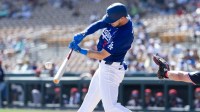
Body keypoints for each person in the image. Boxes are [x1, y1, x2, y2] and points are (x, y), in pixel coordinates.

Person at [69, 2, 134, 112]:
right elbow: (100, 24)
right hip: (104, 67)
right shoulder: (118, 20)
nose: (109, 22)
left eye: (112, 21)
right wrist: (84, 33)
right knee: (88, 103)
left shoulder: (124, 34)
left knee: (111, 107)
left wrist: (80, 50)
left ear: (122, 18)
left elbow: (101, 55)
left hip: (111, 69)